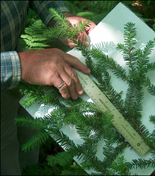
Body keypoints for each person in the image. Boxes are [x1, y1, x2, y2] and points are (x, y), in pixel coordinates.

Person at [1, 1, 96, 175]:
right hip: (12, 66)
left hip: (15, 57)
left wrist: (59, 17)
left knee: (27, 131)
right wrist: (20, 65)